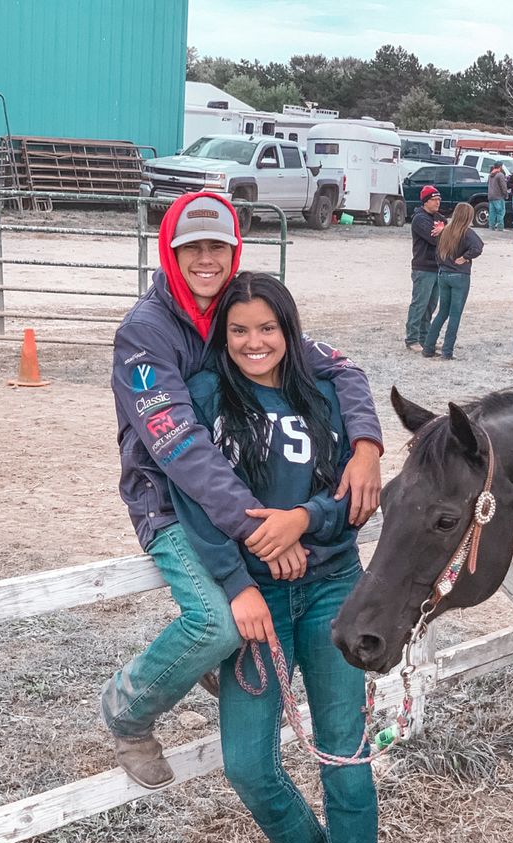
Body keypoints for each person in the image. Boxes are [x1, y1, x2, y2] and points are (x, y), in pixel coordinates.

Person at [101, 192, 383, 790]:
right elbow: (179, 446)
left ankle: (213, 672)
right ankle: (128, 711)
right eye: (191, 248)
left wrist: (365, 446)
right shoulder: (145, 334)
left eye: (218, 247)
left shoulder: (236, 308)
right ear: (169, 253)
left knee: (247, 616)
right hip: (169, 500)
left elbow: (340, 367)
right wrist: (260, 528)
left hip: (245, 497)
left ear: (235, 251)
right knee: (216, 623)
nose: (205, 259)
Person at [167, 272, 378, 843]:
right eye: (239, 329)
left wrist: (299, 522)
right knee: (247, 759)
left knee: (342, 749)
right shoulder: (203, 397)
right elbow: (195, 503)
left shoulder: (323, 391)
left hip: (330, 587)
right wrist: (236, 583)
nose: (255, 342)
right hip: (255, 599)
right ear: (221, 337)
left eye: (268, 327)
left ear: (289, 329)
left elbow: (349, 496)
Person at [422, 203, 483, 360]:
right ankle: (447, 351)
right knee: (455, 315)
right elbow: (478, 247)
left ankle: (428, 347)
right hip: (460, 276)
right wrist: (465, 257)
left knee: (442, 312)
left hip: (444, 274)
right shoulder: (466, 233)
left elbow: (438, 252)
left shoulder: (445, 232)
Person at [404, 185, 445, 352]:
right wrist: (442, 231)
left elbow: (447, 233)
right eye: (434, 200)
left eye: (439, 200)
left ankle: (425, 337)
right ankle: (412, 338)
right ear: (426, 201)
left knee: (431, 305)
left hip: (437, 267)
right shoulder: (420, 219)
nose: (438, 203)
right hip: (423, 267)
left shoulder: (438, 217)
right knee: (419, 304)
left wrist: (443, 229)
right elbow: (434, 239)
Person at [487, 162, 509, 231]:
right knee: (501, 212)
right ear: (500, 167)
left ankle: (491, 226)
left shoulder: (490, 175)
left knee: (492, 213)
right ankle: (500, 227)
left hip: (491, 196)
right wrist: (506, 194)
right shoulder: (500, 175)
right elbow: (503, 186)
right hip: (498, 196)